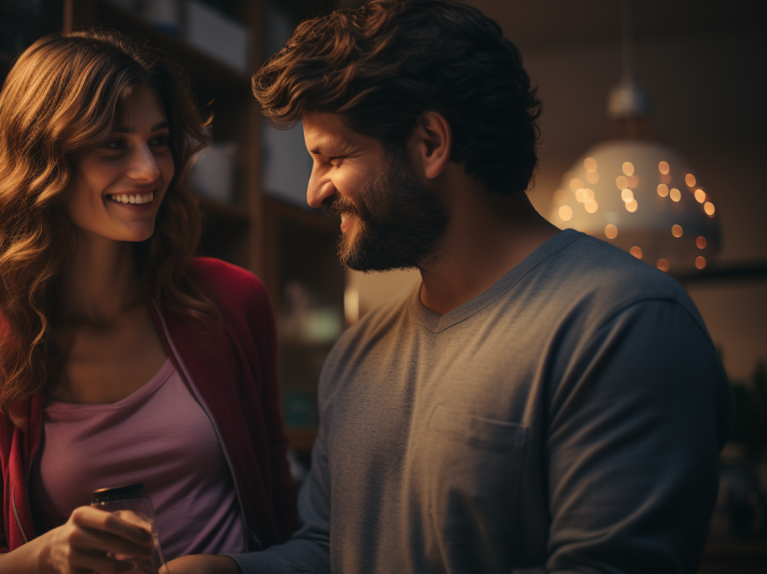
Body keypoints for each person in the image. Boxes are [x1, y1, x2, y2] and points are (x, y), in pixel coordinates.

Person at [168, 1, 733, 573]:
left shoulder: (625, 324)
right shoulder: (355, 354)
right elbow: (330, 549)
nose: (315, 193)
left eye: (333, 158)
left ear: (432, 143)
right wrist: (234, 571)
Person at [0, 30, 297, 574]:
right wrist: (45, 556)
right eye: (114, 144)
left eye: (159, 140)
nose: (150, 171)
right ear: (42, 159)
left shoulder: (232, 300)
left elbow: (286, 525)